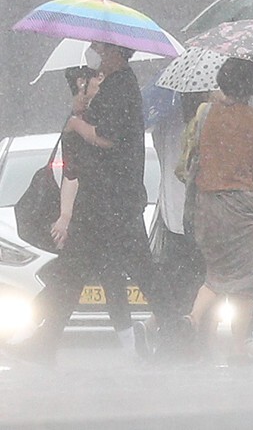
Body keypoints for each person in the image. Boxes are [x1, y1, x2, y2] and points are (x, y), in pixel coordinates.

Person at [7, 42, 174, 364]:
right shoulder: (116, 87)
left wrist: (76, 124)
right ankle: (44, 341)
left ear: (114, 52)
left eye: (101, 49)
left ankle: (176, 331)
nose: (96, 52)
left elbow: (107, 137)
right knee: (73, 273)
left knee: (136, 270)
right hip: (102, 201)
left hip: (112, 202)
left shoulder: (120, 87)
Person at [182, 58, 253, 364]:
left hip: (207, 202)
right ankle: (238, 348)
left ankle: (192, 317)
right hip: (240, 204)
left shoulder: (207, 113)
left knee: (215, 274)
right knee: (246, 279)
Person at [133, 89, 210, 359]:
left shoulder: (165, 121)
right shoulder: (204, 123)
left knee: (174, 281)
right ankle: (187, 343)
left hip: (169, 213)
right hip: (196, 214)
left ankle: (163, 334)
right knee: (200, 281)